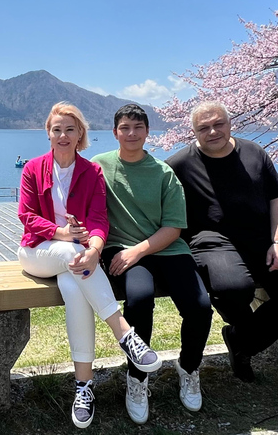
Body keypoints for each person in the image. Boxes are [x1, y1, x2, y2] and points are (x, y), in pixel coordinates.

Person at [17, 102, 161, 429]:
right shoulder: (33, 169)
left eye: (70, 129)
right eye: (57, 129)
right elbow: (25, 216)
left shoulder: (91, 171)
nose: (63, 135)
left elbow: (98, 219)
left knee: (74, 287)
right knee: (72, 255)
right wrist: (61, 232)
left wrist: (96, 248)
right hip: (37, 252)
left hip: (78, 261)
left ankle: (84, 386)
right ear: (49, 134)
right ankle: (124, 332)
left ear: (80, 133)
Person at [166, 100, 278, 382]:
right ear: (194, 132)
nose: (213, 131)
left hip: (263, 239)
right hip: (211, 242)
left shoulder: (254, 153)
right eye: (204, 128)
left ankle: (241, 341)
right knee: (233, 289)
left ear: (229, 123)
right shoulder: (179, 165)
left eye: (218, 124)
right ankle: (244, 340)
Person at [92, 104, 213, 424]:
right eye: (125, 128)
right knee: (140, 299)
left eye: (138, 127)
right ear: (115, 132)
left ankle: (188, 368)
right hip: (120, 247)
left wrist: (139, 252)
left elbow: (174, 228)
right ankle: (137, 378)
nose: (131, 134)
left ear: (148, 132)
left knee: (200, 307)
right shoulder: (98, 166)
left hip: (168, 248)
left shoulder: (163, 172)